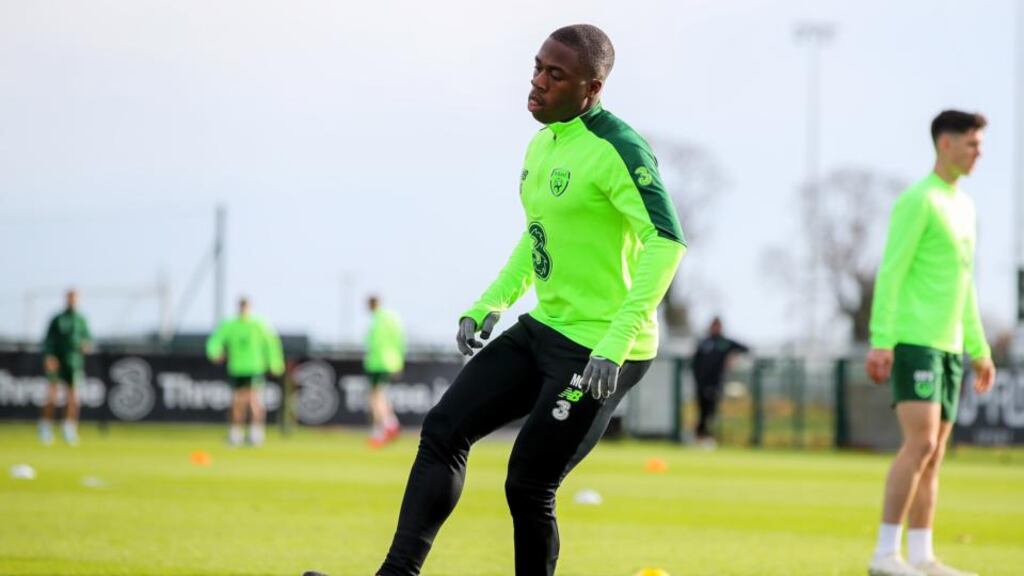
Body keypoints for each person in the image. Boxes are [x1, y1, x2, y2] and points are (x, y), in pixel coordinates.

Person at [304, 23, 686, 576]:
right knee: (442, 429)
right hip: (548, 326)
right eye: (536, 67)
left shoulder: (620, 150)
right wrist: (490, 303)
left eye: (556, 75)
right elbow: (538, 239)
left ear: (593, 89)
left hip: (601, 346)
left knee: (528, 482)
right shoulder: (543, 141)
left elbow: (666, 241)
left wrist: (617, 341)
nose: (537, 83)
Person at [865, 110, 996, 576]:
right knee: (919, 445)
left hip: (950, 346)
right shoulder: (917, 201)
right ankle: (884, 554)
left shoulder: (965, 206)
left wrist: (978, 348)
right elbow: (891, 271)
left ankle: (921, 555)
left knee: (936, 454)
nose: (979, 152)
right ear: (945, 143)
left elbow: (965, 283)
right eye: (972, 143)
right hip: (915, 341)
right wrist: (882, 340)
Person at [206, 297, 285, 446]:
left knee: (254, 401)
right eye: (241, 307)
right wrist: (214, 353)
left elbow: (271, 343)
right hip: (237, 368)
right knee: (237, 402)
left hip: (254, 368)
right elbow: (215, 340)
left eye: (246, 307)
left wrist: (275, 363)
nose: (244, 310)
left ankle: (256, 434)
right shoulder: (230, 325)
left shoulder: (258, 325)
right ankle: (235, 434)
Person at [40, 289, 92, 446]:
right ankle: (45, 426)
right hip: (57, 360)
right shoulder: (57, 319)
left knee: (73, 397)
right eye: (70, 298)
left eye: (75, 298)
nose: (72, 301)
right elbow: (48, 341)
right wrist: (49, 356)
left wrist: (85, 346)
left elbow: (88, 340)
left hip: (74, 362)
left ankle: (69, 428)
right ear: (66, 299)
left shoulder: (81, 320)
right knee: (52, 395)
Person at [691, 316, 748, 448]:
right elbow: (695, 363)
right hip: (701, 384)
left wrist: (732, 358)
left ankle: (706, 437)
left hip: (716, 383)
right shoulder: (704, 342)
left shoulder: (725, 343)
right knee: (702, 412)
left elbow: (745, 349)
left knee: (711, 413)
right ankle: (699, 437)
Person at [364, 295, 405, 448]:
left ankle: (381, 431)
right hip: (391, 362)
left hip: (377, 363)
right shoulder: (392, 318)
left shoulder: (376, 321)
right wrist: (398, 361)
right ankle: (392, 423)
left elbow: (375, 344)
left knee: (375, 399)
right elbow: (400, 340)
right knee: (382, 396)